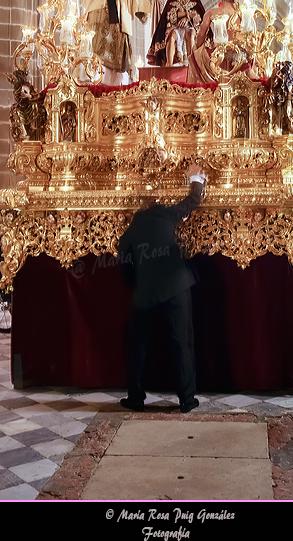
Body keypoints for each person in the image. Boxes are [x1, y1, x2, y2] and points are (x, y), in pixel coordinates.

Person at [117, 163, 206, 413]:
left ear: (141, 206)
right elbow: (192, 201)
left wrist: (133, 281)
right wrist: (196, 178)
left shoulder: (135, 224)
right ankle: (187, 400)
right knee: (182, 344)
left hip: (146, 292)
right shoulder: (168, 214)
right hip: (177, 287)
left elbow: (122, 253)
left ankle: (136, 398)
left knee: (138, 345)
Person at [82, 0, 152, 84]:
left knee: (95, 68)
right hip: (116, 32)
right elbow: (141, 6)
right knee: (115, 74)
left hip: (94, 32)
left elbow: (86, 1)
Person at [187, 0, 257, 84]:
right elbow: (254, 40)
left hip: (221, 59)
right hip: (242, 59)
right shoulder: (246, 15)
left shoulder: (212, 13)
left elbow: (201, 36)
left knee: (195, 56)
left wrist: (196, 51)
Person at [146, 0, 205, 67]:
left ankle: (192, 65)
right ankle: (169, 65)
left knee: (190, 35)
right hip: (176, 27)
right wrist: (183, 17)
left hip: (190, 27)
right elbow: (168, 17)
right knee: (171, 35)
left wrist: (187, 19)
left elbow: (199, 17)